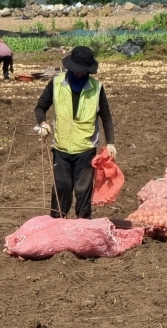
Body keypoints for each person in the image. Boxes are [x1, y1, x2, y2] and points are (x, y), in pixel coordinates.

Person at [34, 46, 117, 219]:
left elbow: (106, 117)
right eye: (76, 70)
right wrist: (42, 123)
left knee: (83, 190)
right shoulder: (56, 84)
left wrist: (110, 143)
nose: (79, 74)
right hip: (61, 148)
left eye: (83, 71)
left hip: (86, 149)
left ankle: (83, 226)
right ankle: (56, 224)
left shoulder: (96, 88)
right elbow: (40, 107)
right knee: (62, 187)